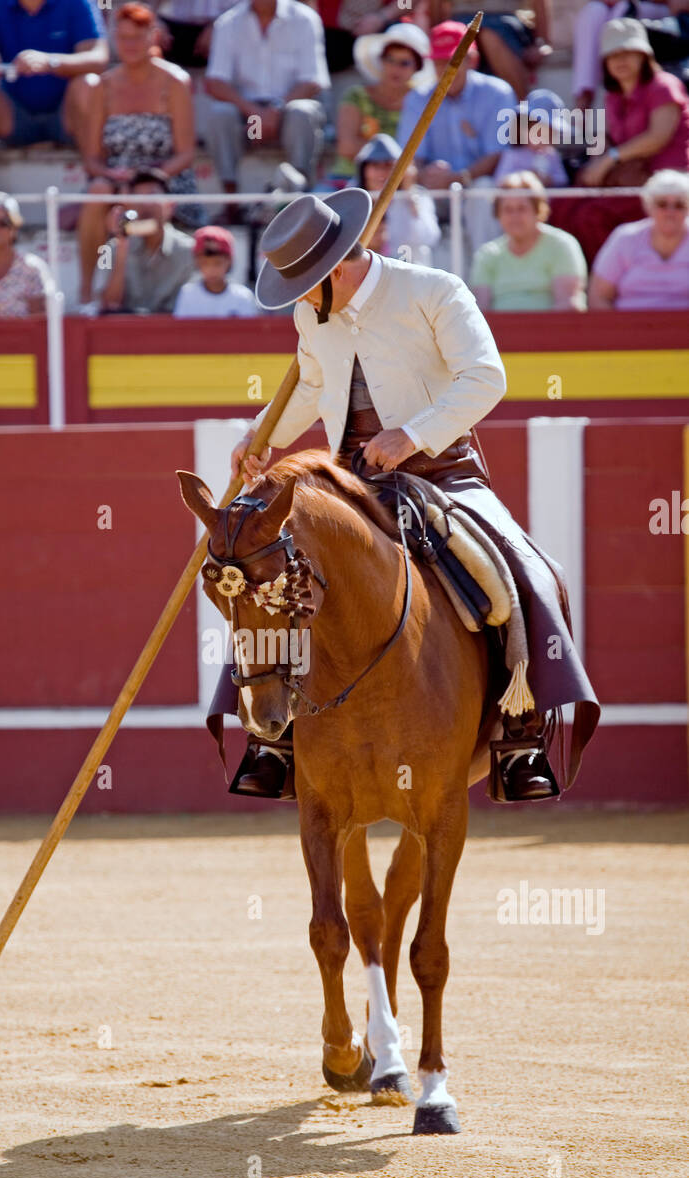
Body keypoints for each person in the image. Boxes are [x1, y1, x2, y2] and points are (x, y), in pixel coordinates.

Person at [211, 190, 599, 801]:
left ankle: (519, 735)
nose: (304, 301)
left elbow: (486, 377)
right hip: (352, 483)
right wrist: (259, 437)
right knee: (266, 573)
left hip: (444, 473)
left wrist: (412, 433)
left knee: (530, 572)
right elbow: (312, 386)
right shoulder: (312, 315)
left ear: (336, 269)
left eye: (307, 287)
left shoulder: (435, 289)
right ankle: (273, 741)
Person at [78, 3, 198, 304]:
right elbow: (91, 158)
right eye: (122, 38)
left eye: (136, 37)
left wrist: (148, 180)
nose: (129, 45)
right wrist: (113, 176)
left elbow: (185, 154)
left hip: (165, 181)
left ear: (153, 36)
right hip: (116, 183)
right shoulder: (102, 86)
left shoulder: (175, 82)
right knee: (97, 191)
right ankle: (87, 291)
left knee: (143, 197)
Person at [554, 17, 689, 263]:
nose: (621, 60)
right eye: (614, 55)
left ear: (644, 56)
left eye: (629, 52)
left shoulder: (664, 86)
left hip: (664, 185)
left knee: (590, 216)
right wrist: (596, 165)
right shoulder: (613, 95)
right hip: (627, 179)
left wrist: (608, 161)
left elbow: (657, 137)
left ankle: (606, 282)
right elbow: (606, 138)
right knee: (561, 206)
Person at [0, 0, 109, 197]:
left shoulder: (78, 3)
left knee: (89, 84)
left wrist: (51, 62)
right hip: (13, 118)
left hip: (67, 118)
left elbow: (100, 58)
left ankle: (97, 181)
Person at [397, 21, 515, 251]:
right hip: (435, 190)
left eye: (452, 61)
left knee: (483, 189)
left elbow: (499, 154)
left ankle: (485, 277)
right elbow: (410, 157)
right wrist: (425, 175)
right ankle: (418, 280)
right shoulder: (417, 98)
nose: (445, 69)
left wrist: (459, 178)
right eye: (439, 62)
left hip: (475, 186)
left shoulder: (497, 93)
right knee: (410, 199)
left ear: (472, 60)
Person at [204, 0, 330, 214]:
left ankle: (301, 199)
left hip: (286, 113)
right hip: (249, 119)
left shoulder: (305, 19)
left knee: (302, 112)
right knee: (220, 114)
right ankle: (231, 203)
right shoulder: (228, 22)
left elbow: (313, 81)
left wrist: (276, 109)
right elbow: (215, 82)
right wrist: (253, 111)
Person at [470, 171, 587, 310]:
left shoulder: (562, 245)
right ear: (498, 214)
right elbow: (480, 311)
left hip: (551, 331)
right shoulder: (487, 254)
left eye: (522, 208)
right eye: (508, 209)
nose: (515, 216)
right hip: (497, 332)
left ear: (538, 210)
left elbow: (568, 304)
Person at [332, 22, 431, 180]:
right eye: (390, 59)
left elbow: (423, 152)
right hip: (347, 179)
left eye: (404, 63)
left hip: (401, 185)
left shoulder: (422, 102)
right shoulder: (356, 95)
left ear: (417, 67)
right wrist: (393, 159)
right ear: (381, 60)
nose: (395, 68)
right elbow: (346, 147)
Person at [99, 166, 195, 312]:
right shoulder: (109, 249)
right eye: (138, 197)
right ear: (128, 206)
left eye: (152, 196)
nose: (145, 204)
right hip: (126, 330)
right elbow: (108, 305)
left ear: (170, 205)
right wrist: (122, 246)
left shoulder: (190, 250)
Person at [589, 166, 689, 306]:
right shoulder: (625, 238)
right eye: (662, 204)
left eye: (679, 205)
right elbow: (598, 296)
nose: (670, 212)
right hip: (627, 326)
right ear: (648, 206)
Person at [433, 1, 553, 99]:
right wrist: (437, 36)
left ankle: (522, 110)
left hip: (504, 23)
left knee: (489, 37)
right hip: (461, 23)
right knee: (458, 46)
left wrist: (541, 42)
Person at [355, 131, 440, 264]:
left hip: (406, 270)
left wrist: (410, 194)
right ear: (364, 169)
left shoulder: (417, 196)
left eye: (388, 165)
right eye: (375, 165)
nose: (381, 173)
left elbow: (429, 237)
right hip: (366, 270)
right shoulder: (353, 196)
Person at [572, 0, 669, 110]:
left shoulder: (666, 88)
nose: (619, 59)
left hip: (659, 9)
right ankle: (583, 101)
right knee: (594, 11)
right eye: (614, 55)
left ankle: (616, 98)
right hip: (619, 7)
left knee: (622, 11)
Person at [173, 223, 259, 316]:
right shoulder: (188, 294)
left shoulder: (243, 297)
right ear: (197, 263)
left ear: (229, 261)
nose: (211, 269)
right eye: (205, 263)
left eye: (218, 263)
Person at [494, 87, 569, 188]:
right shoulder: (512, 155)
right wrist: (523, 179)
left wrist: (549, 179)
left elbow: (563, 180)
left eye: (549, 134)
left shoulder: (552, 156)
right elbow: (500, 180)